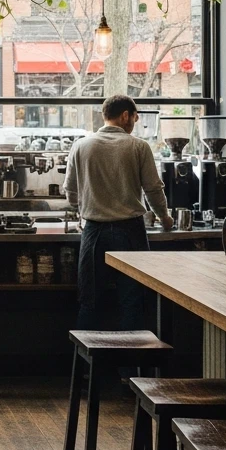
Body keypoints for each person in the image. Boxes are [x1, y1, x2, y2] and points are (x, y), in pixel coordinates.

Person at [64, 94, 173, 331]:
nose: (133, 124)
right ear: (125, 116)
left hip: (94, 232)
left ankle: (90, 365)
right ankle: (129, 367)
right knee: (132, 302)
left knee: (90, 302)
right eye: (134, 118)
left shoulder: (81, 146)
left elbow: (70, 193)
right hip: (130, 231)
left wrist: (86, 204)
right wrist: (165, 217)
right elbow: (153, 189)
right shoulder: (138, 147)